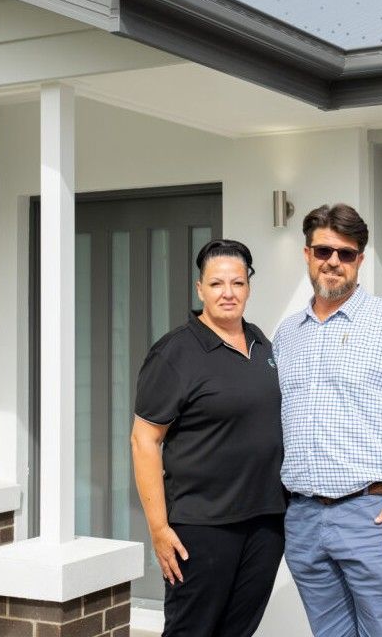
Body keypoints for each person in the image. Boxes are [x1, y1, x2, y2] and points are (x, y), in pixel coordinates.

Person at [273, 203, 382, 637]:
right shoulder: (287, 334)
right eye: (323, 250)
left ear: (360, 261)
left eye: (346, 254)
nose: (333, 261)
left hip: (375, 516)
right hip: (305, 519)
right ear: (307, 254)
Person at [131, 239, 286, 637]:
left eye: (237, 282)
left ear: (249, 286)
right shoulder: (175, 353)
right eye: (216, 284)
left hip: (265, 523)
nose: (228, 293)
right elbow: (143, 441)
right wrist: (159, 529)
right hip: (201, 529)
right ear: (200, 289)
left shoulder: (260, 343)